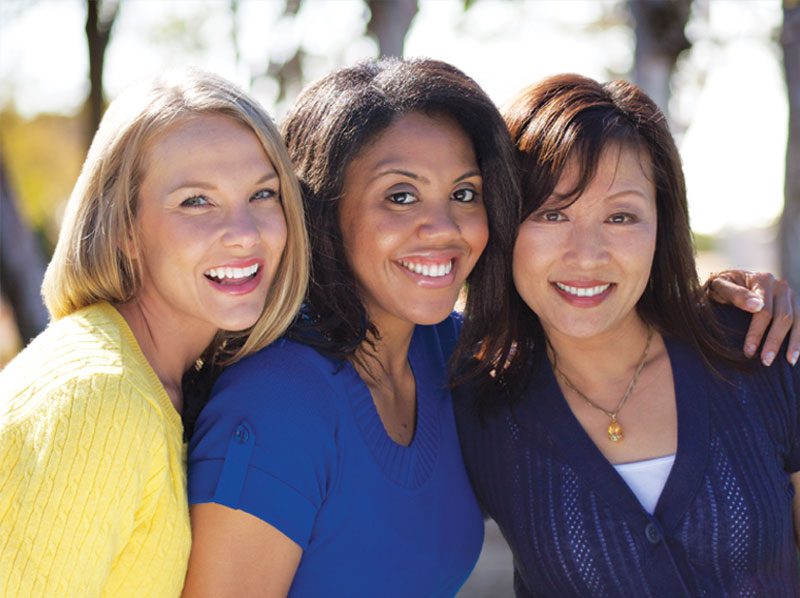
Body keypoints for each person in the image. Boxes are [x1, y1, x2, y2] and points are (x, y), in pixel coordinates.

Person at [184, 59, 796, 597]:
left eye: (465, 192)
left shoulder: (450, 359)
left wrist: (731, 300)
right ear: (322, 208)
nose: (443, 226)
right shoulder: (286, 403)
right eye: (400, 196)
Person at [454, 74, 800, 596]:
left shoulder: (759, 349)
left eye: (621, 216)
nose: (587, 255)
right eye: (552, 213)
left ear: (662, 224)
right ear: (504, 222)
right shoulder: (474, 407)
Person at [0, 69, 309, 597]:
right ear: (123, 229)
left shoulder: (155, 381)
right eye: (196, 201)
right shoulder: (98, 401)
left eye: (263, 194)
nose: (244, 234)